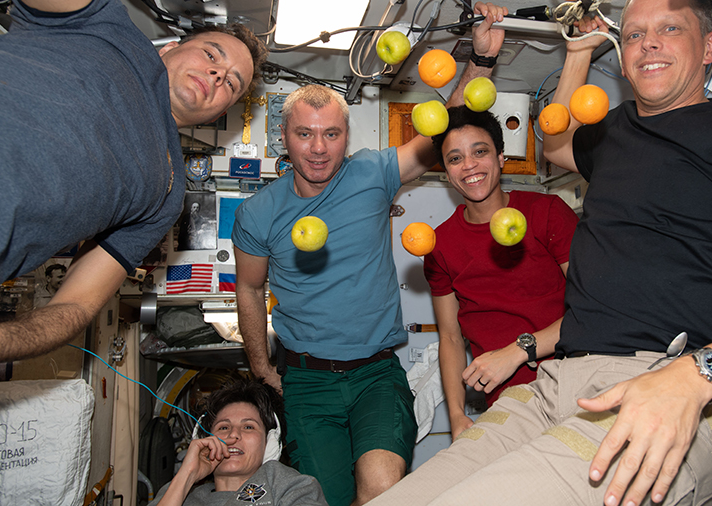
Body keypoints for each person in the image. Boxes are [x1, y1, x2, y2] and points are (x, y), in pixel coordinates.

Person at [367, 0, 712, 504]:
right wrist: (576, 52)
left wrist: (697, 376)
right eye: (633, 35)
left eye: (670, 28)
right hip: (553, 385)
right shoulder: (616, 132)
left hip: (667, 384)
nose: (648, 43)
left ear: (710, 47)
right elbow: (555, 142)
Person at [232, 5, 508, 505]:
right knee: (325, 498)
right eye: (305, 134)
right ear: (284, 138)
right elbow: (249, 289)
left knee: (382, 489)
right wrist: (261, 367)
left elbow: (439, 124)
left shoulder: (371, 174)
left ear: (347, 137)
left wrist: (482, 62)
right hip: (307, 381)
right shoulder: (258, 213)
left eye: (331, 134)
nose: (319, 148)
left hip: (377, 373)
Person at [0, 0, 265, 367]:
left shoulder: (165, 193)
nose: (216, 75)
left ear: (220, 113)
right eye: (212, 55)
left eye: (230, 82)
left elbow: (79, 303)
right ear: (170, 47)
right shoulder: (110, 26)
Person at [425, 106, 577, 439]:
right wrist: (455, 414)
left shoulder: (547, 213)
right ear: (446, 172)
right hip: (507, 404)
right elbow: (450, 337)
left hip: (574, 384)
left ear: (501, 158)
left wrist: (518, 351)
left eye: (480, 152)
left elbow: (596, 308)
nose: (469, 166)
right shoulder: (439, 246)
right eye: (455, 158)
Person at [150, 379, 327, 506]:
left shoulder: (292, 486)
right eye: (223, 428)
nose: (234, 435)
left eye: (248, 427)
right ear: (203, 441)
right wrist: (187, 475)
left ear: (270, 443)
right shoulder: (176, 493)